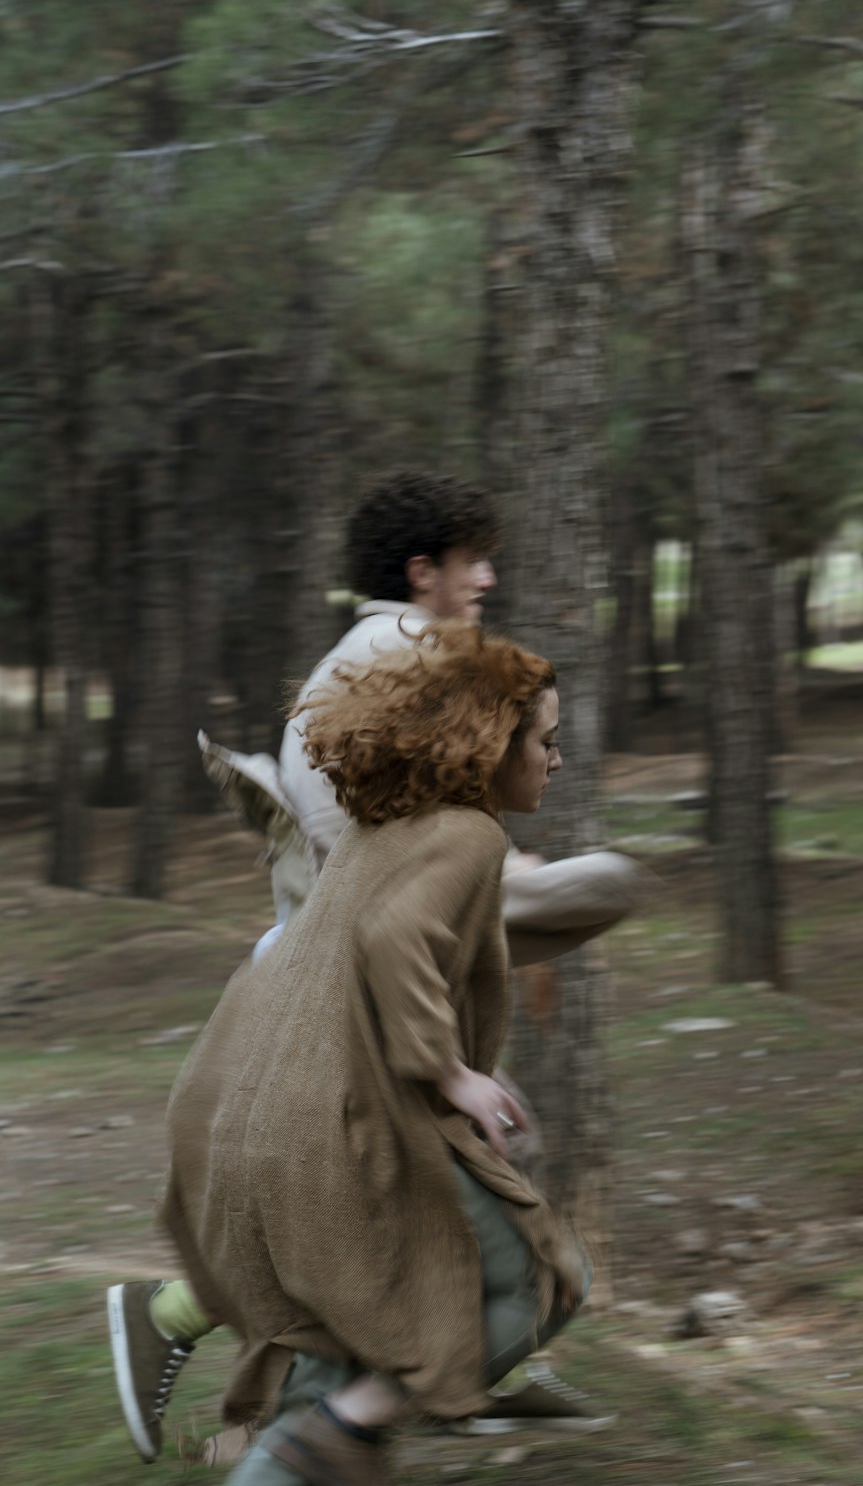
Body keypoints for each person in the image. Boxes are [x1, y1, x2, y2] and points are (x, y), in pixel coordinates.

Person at [107, 469, 638, 1463]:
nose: (486, 578)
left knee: (423, 1202)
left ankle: (326, 1401)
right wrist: (451, 1053)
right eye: (470, 560)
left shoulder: (353, 664)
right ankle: (304, 1414)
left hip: (309, 994)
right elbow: (394, 907)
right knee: (480, 1245)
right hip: (350, 1015)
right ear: (421, 569)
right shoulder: (413, 657)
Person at [157, 624, 589, 1486]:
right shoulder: (470, 835)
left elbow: (332, 968)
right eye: (545, 741)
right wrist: (450, 1071)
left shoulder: (375, 830)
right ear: (490, 747)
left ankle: (322, 1440)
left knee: (361, 1324)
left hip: (260, 1129)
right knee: (543, 1279)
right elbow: (397, 942)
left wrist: (457, 1067)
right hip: (337, 1136)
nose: (556, 760)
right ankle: (325, 1440)